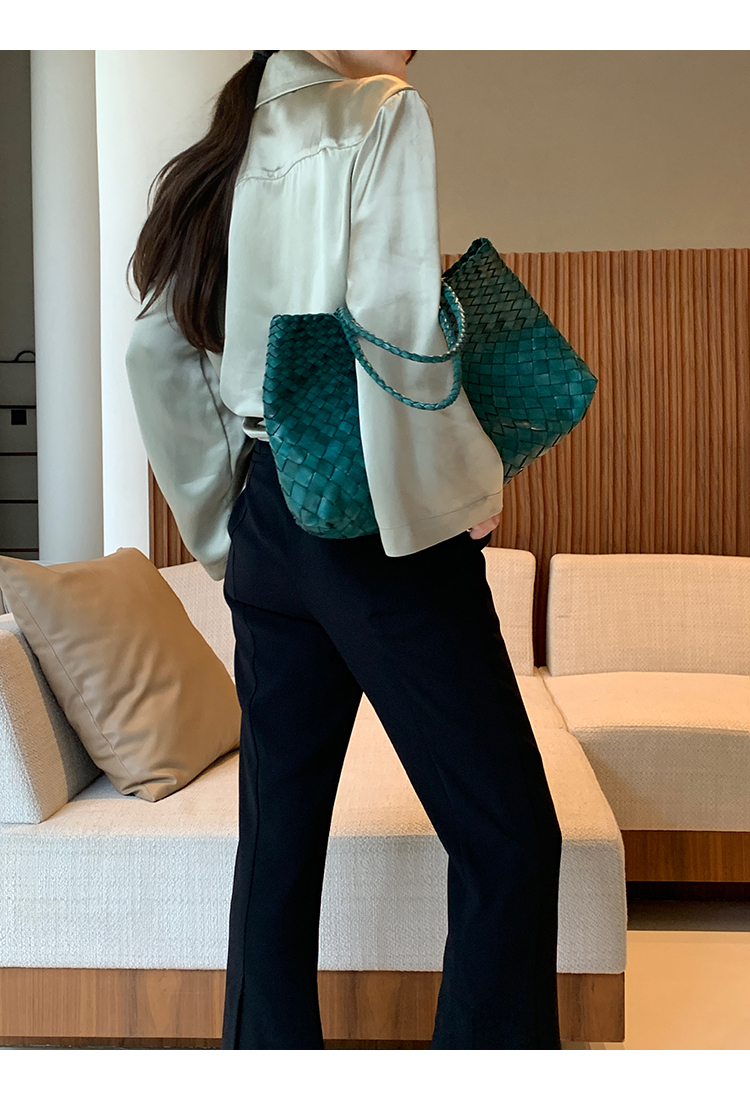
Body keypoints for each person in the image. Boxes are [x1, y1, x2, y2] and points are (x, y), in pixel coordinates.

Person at [125, 49, 563, 1050]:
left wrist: (229, 531)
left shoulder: (231, 141)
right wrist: (456, 490)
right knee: (509, 840)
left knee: (276, 853)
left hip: (268, 512)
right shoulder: (381, 111)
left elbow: (156, 351)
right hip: (375, 521)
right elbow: (394, 324)